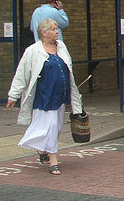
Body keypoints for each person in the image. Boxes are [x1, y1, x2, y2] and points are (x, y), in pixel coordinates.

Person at [5, 19, 83, 175]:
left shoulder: (61, 46)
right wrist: (13, 95)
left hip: (61, 95)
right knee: (51, 127)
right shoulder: (33, 51)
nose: (57, 32)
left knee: (56, 127)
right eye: (54, 29)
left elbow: (69, 70)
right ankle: (53, 160)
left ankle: (42, 150)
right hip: (44, 96)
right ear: (43, 32)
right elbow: (22, 74)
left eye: (56, 29)